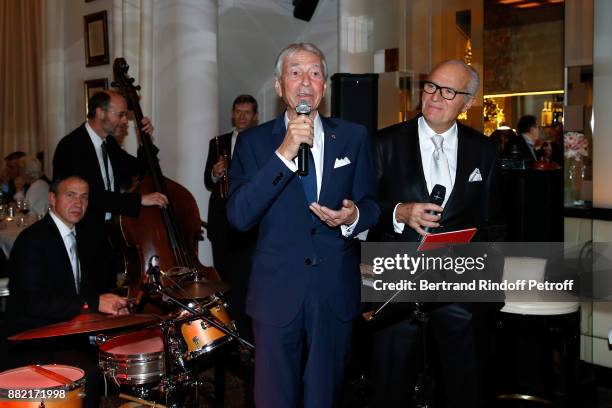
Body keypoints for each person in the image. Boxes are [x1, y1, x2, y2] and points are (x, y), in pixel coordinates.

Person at [226, 42, 380, 407]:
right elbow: (239, 216)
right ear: (279, 86)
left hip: (334, 292)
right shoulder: (252, 143)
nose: (306, 82)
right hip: (276, 292)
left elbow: (373, 204)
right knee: (273, 396)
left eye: (314, 73)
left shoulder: (354, 137)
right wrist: (284, 154)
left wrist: (353, 217)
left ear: (324, 85)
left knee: (325, 396)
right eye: (295, 73)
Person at [370, 60, 503, 407]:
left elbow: (492, 223)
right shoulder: (384, 143)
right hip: (396, 283)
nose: (435, 97)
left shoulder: (484, 150)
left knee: (464, 385)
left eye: (448, 91)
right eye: (430, 86)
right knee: (390, 385)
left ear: (468, 102)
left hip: (459, 288)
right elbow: (362, 210)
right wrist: (399, 212)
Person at [0, 175, 129, 407]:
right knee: (89, 372)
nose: (78, 203)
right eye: (70, 195)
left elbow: (79, 292)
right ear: (52, 198)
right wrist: (94, 303)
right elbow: (34, 304)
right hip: (29, 340)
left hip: (63, 331)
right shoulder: (32, 240)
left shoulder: (81, 236)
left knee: (118, 349)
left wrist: (110, 305)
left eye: (84, 197)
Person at [53, 90, 168, 286]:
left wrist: (145, 140)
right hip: (83, 239)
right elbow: (90, 197)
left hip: (108, 237)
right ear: (100, 113)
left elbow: (139, 169)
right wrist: (139, 199)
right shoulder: (71, 146)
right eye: (120, 114)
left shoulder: (109, 145)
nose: (125, 121)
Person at [204, 94, 258, 338]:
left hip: (247, 223)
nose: (242, 116)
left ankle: (244, 334)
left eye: (247, 112)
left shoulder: (261, 142)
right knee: (223, 277)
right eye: (238, 111)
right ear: (232, 114)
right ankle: (225, 330)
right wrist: (215, 173)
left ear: (255, 117)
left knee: (245, 279)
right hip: (220, 221)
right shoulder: (217, 143)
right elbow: (208, 181)